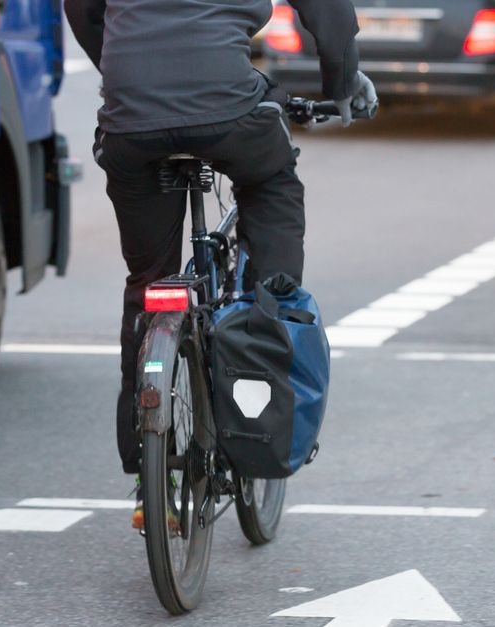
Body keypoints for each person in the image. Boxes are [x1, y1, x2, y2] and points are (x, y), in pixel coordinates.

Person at [65, 0, 377, 529]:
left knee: (148, 284)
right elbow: (329, 11)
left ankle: (149, 473)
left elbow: (81, 9)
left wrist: (123, 69)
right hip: (229, 109)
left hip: (131, 119)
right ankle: (265, 318)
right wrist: (342, 83)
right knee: (273, 185)